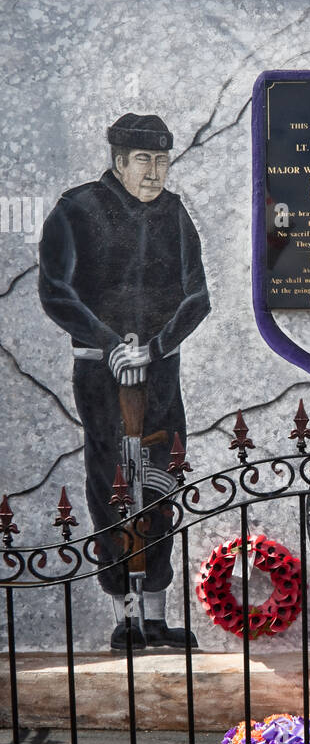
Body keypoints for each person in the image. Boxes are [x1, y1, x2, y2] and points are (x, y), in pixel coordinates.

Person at [38, 113, 211, 650]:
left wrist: (154, 348)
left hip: (160, 370)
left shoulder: (174, 213)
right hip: (100, 370)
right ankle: (125, 614)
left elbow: (196, 297)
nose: (155, 171)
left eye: (162, 160)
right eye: (144, 161)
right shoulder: (76, 209)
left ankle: (156, 615)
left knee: (160, 483)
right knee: (113, 484)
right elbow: (56, 291)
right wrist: (113, 345)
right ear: (119, 161)